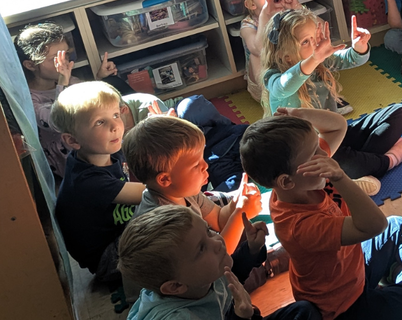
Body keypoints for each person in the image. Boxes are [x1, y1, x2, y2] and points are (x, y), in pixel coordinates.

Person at [239, 115, 402, 320]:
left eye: (318, 146)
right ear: (286, 181)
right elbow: (373, 224)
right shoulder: (300, 226)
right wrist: (340, 178)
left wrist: (301, 117)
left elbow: (338, 126)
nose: (324, 155)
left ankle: (401, 269)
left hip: (353, 267)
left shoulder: (300, 181)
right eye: (313, 154)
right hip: (345, 307)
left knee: (397, 225)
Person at [261, 7, 402, 195]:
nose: (315, 46)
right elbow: (285, 85)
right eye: (305, 42)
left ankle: (352, 173)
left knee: (400, 113)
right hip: (310, 155)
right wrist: (315, 58)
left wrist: (360, 47)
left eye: (314, 38)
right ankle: (389, 160)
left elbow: (350, 59)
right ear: (285, 55)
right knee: (344, 161)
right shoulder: (273, 76)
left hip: (338, 135)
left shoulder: (320, 62)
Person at [118, 205, 322, 320]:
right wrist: (240, 317)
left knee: (304, 311)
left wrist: (251, 250)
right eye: (201, 248)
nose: (216, 242)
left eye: (208, 231)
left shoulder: (197, 277)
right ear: (176, 286)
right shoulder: (179, 318)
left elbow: (230, 276)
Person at [50, 82, 145, 288]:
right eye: (100, 122)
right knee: (167, 208)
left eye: (116, 115)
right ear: (73, 140)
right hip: (108, 259)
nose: (115, 126)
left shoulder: (102, 150)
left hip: (120, 232)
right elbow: (150, 192)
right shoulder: (88, 182)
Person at [122, 115, 263, 254]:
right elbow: (216, 256)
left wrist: (235, 205)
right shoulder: (170, 223)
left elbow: (219, 219)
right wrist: (238, 215)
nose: (205, 165)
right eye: (196, 165)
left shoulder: (183, 191)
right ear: (165, 179)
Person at [16, 21, 132, 185]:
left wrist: (99, 77)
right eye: (55, 59)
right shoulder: (31, 99)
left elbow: (90, 103)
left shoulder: (71, 80)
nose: (65, 64)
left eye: (66, 55)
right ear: (30, 65)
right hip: (72, 158)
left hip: (97, 142)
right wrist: (63, 81)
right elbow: (57, 122)